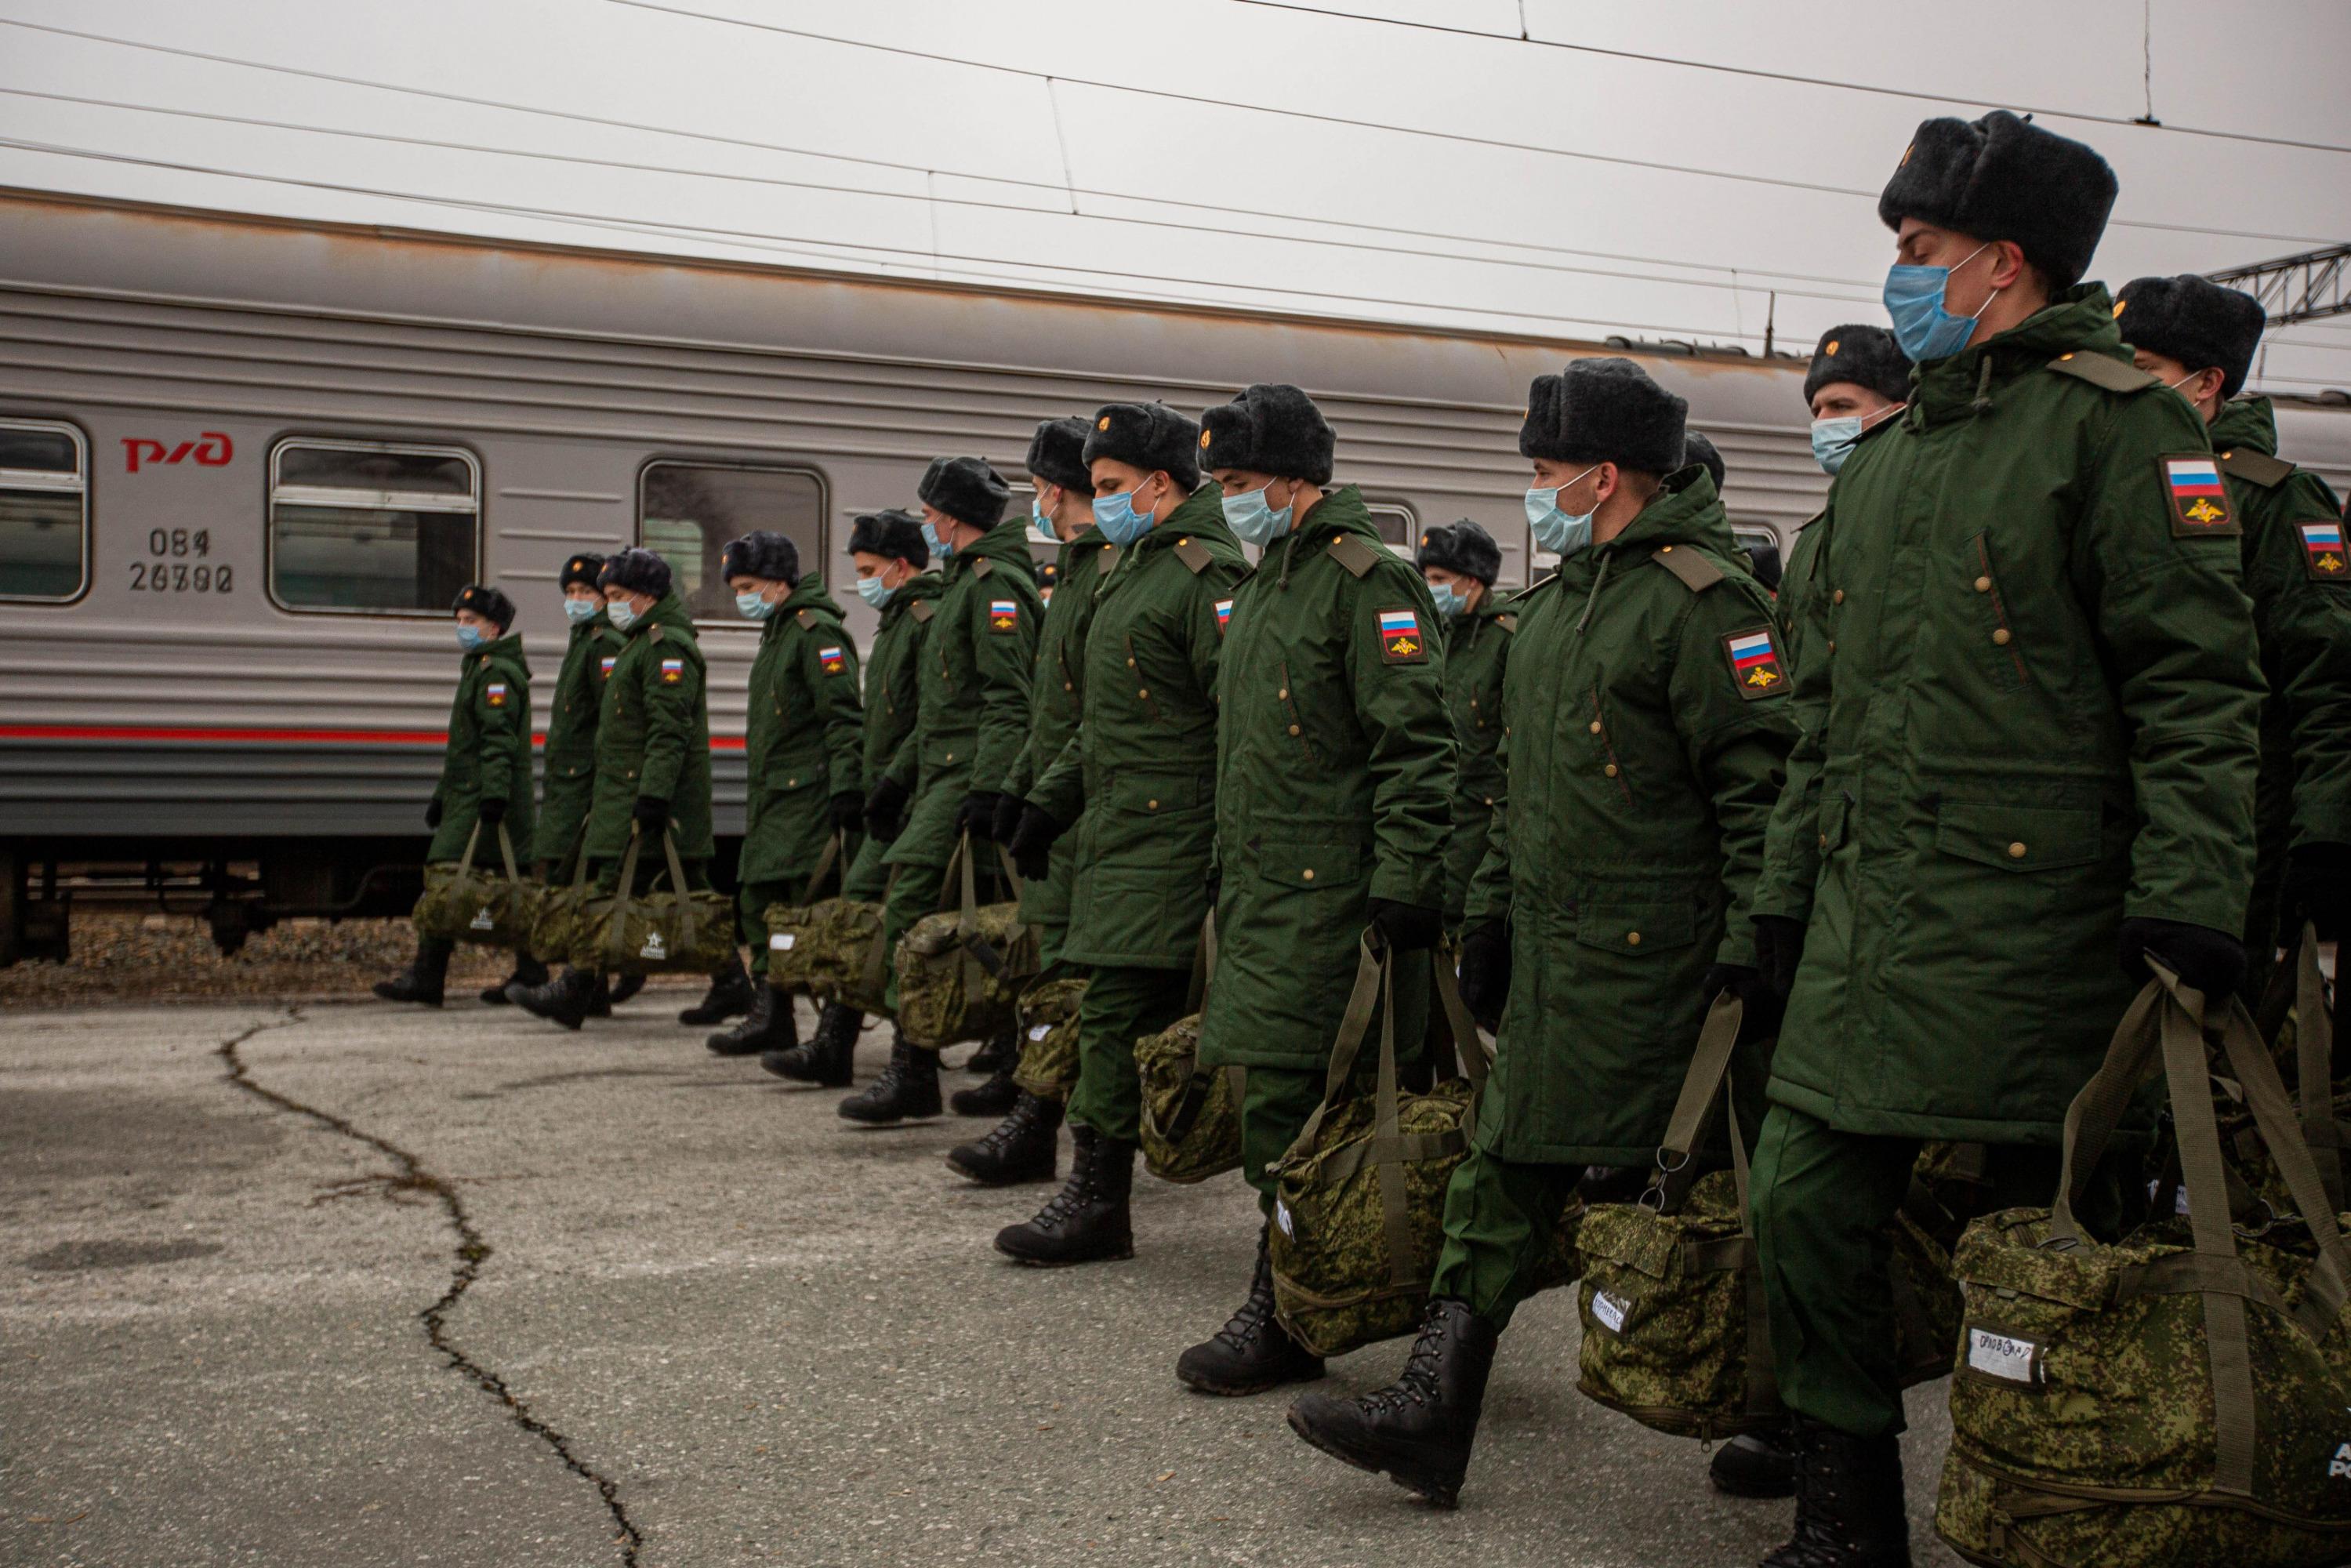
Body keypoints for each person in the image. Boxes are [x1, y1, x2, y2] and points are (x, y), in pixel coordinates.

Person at [1744, 113, 2264, 1567]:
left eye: (1916, 254)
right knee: (1797, 1191)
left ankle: (2065, 1499)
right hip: (1869, 916)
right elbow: (1821, 711)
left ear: (1999, 262)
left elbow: (2194, 687)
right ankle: (1844, 1514)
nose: (1900, 280)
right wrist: (1780, 900)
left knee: (2051, 1238)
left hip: (2039, 926)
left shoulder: (2118, 425)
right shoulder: (1896, 455)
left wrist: (2187, 897)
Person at [1286, 357, 1797, 1508]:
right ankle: (1432, 1411)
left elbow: (1760, 791)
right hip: (1567, 959)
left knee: (1746, 1196)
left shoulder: (1705, 605)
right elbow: (1518, 784)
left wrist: (1751, 943)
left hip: (1671, 971)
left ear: (1601, 475)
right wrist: (1494, 921)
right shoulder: (1559, 606)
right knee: (1500, 1172)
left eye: (1543, 470)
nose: (1531, 488)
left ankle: (1797, 1424)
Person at [1175, 383, 1454, 1396]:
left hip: (1332, 900)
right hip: (1263, 894)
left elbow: (1417, 747)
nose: (1227, 500)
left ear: (1297, 481)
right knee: (1274, 1098)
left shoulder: (1364, 583)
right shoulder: (1266, 585)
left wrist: (1406, 882)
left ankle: (1286, 1311)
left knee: (1299, 1107)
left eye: (1240, 482)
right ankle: (1301, 1293)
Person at [991, 402, 1247, 1255]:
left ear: (1159, 484)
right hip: (1119, 833)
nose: (1092, 502)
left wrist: (1222, 854)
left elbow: (1235, 729)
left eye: (1107, 487)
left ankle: (1099, 1200)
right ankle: (1094, 1191)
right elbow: (1103, 722)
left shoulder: (1202, 576)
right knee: (1108, 1013)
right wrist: (1047, 801)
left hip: (1169, 842)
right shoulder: (1132, 569)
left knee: (1110, 1016)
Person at [2113, 273, 2351, 1002]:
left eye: (2143, 369)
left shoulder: (2277, 501)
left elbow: (2330, 678)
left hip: (2238, 836)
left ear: (2206, 382)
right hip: (2130, 822)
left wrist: (2325, 838)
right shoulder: (2118, 478)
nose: (2121, 386)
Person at [833, 459, 1041, 1123]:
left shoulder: (992, 587)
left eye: (930, 513)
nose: (926, 524)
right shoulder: (961, 587)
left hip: (966, 780)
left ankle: (917, 1068)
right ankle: (997, 1061)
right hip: (942, 776)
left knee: (920, 914)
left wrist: (986, 791)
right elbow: (942, 706)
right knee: (987, 931)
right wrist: (897, 778)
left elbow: (1008, 702)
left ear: (949, 517)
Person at [948, 417, 1114, 1183]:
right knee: (1050, 973)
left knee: (1075, 983)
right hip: (1059, 800)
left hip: (1088, 810)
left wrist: (1035, 794)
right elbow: (1048, 706)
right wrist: (1015, 790)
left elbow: (1090, 712)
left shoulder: (1105, 568)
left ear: (1051, 490)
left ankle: (1046, 1127)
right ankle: (1036, 1113)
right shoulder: (1075, 570)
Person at [512, 548, 738, 1029]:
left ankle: (577, 988)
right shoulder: (640, 641)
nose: (608, 605)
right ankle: (730, 982)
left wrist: (654, 795)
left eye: (615, 596)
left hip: (651, 797)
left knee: (621, 886)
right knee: (680, 891)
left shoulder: (664, 647)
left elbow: (668, 729)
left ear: (646, 596)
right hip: (633, 792)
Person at [765, 510, 941, 1085]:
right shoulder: (897, 621)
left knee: (904, 929)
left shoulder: (923, 620)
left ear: (899, 567)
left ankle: (908, 1061)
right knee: (862, 915)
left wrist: (895, 782)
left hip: (919, 799)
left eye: (868, 569)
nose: (862, 581)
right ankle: (836, 1045)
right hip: (892, 800)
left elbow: (935, 716)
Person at [706, 531, 864, 1058]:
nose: (741, 597)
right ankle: (772, 1012)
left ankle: (827, 1028)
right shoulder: (778, 633)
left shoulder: (814, 634)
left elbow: (843, 721)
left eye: (748, 586)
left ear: (778, 583)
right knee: (761, 906)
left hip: (807, 804)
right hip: (775, 801)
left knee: (807, 912)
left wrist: (845, 791)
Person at [376, 583, 539, 1005]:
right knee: (509, 883)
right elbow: (463, 750)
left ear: (495, 627)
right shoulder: (479, 667)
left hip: (483, 798)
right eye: (459, 622)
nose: (462, 629)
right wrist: (441, 795)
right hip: (468, 795)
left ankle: (428, 977)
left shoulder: (497, 674)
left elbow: (497, 741)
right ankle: (531, 972)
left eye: (471, 621)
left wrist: (494, 798)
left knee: (447, 878)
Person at [1415, 520, 1513, 937]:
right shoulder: (1441, 635)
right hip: (1443, 816)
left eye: (1439, 579)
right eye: (1426, 577)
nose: (1429, 587)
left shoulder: (1508, 638)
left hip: (1484, 822)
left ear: (1471, 582)